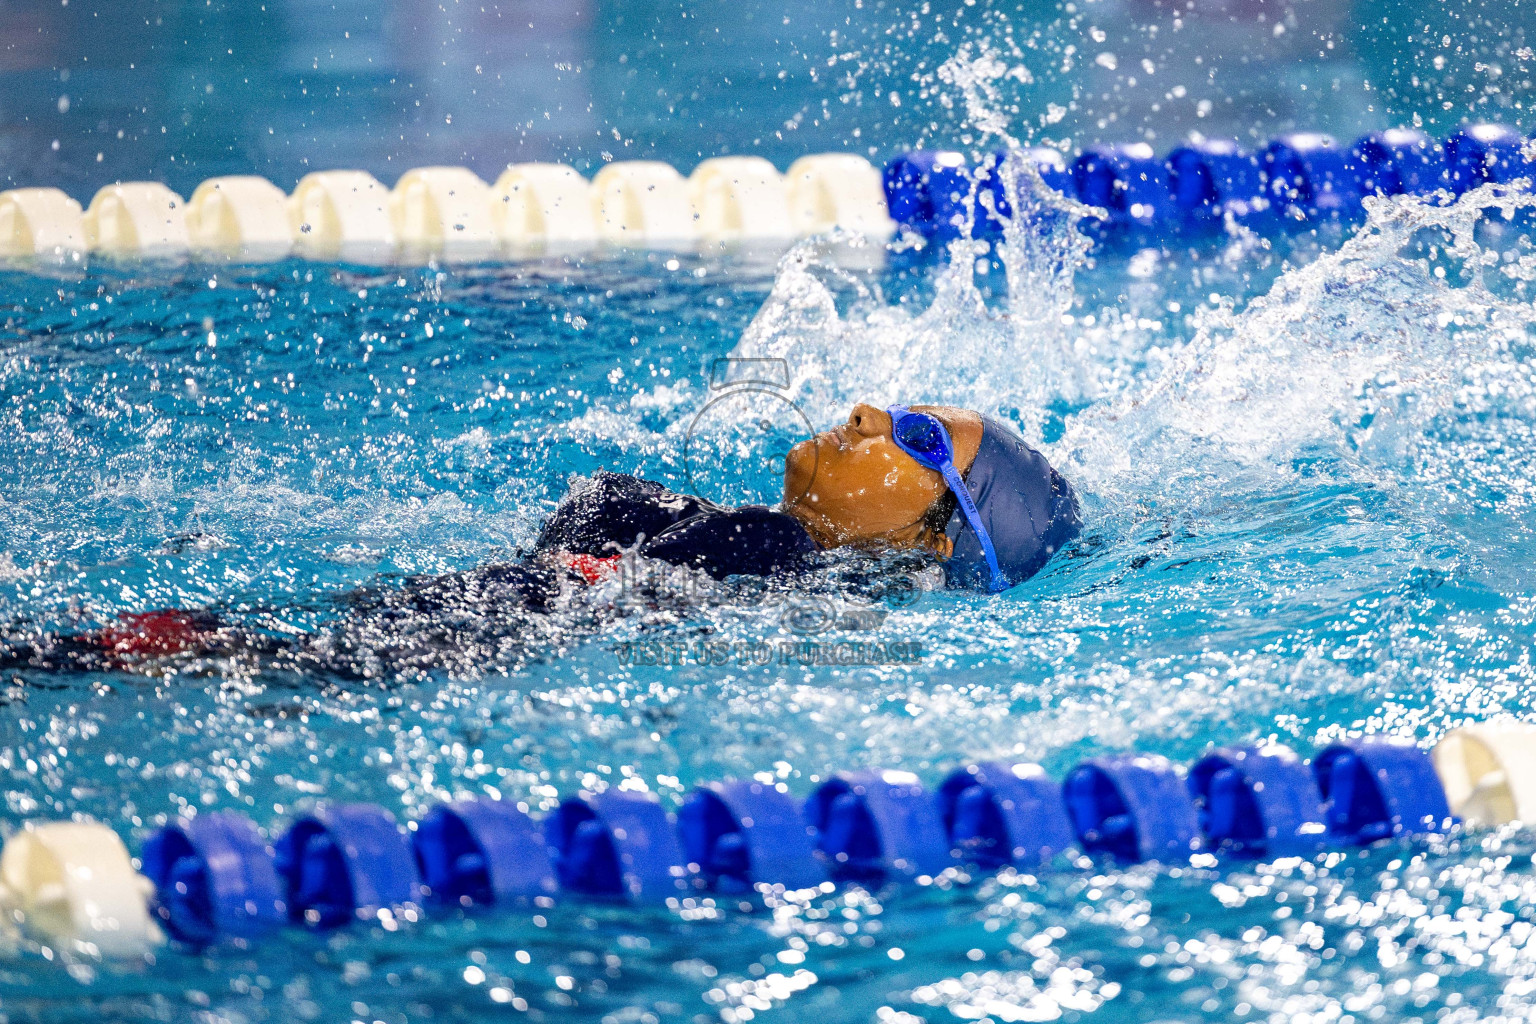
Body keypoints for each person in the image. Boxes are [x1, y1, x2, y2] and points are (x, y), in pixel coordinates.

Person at [0, 403, 1080, 678]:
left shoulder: (790, 563)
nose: (867, 415)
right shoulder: (769, 546)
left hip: (496, 629)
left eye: (919, 437)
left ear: (941, 536)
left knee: (194, 649)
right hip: (508, 614)